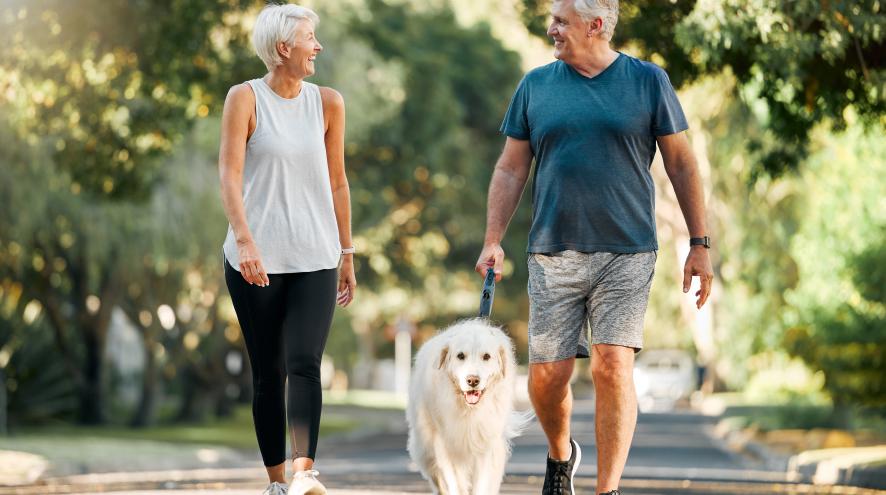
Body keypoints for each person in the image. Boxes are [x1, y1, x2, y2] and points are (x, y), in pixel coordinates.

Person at [474, 0, 713, 494]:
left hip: (627, 250)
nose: (551, 29)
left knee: (612, 362)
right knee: (547, 376)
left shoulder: (648, 81)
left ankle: (608, 488)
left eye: (561, 21)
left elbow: (683, 164)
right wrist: (493, 240)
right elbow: (511, 167)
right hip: (552, 249)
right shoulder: (535, 86)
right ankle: (561, 454)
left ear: (596, 26)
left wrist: (699, 243)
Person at [218, 4, 356, 495]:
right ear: (283, 48)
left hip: (315, 256)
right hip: (254, 261)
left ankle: (304, 476)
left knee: (305, 363)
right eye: (309, 38)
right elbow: (230, 176)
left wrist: (347, 253)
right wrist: (245, 241)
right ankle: (277, 481)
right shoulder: (245, 98)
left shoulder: (329, 103)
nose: (317, 47)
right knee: (268, 373)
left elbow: (338, 183)